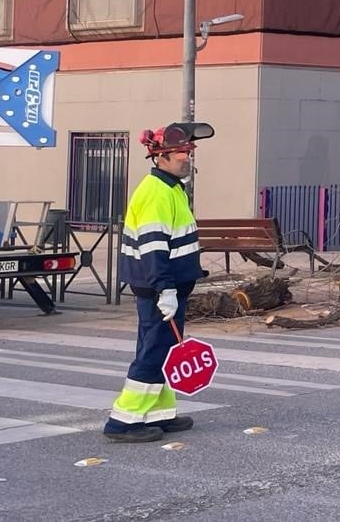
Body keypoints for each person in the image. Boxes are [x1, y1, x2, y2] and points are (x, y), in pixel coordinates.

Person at [103, 122, 213, 443]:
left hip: (166, 286)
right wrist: (164, 288)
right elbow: (153, 247)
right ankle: (123, 420)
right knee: (155, 350)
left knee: (166, 352)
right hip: (159, 288)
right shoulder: (156, 193)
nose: (186, 158)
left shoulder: (171, 189)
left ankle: (158, 412)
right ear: (159, 157)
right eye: (180, 153)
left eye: (189, 152)